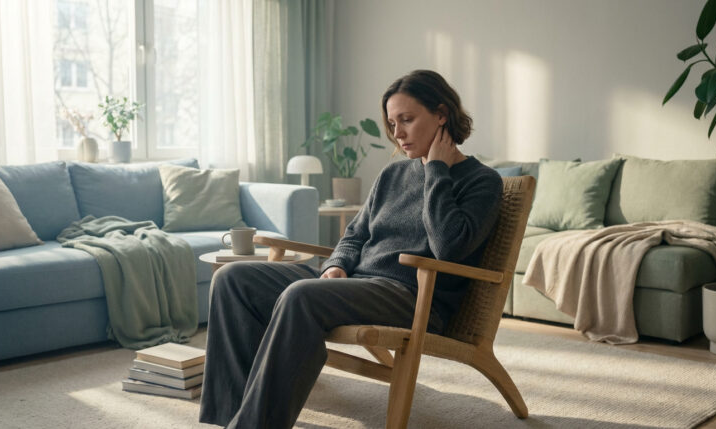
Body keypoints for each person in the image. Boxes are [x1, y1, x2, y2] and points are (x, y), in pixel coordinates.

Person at [199, 69, 503, 428]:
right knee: (233, 279)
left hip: (412, 296)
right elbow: (356, 234)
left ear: (441, 114)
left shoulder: (482, 181)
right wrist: (336, 266)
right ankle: (227, 418)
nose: (398, 133)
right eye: (392, 123)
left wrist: (436, 170)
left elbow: (449, 246)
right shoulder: (392, 175)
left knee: (301, 296)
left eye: (407, 119)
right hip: (357, 283)